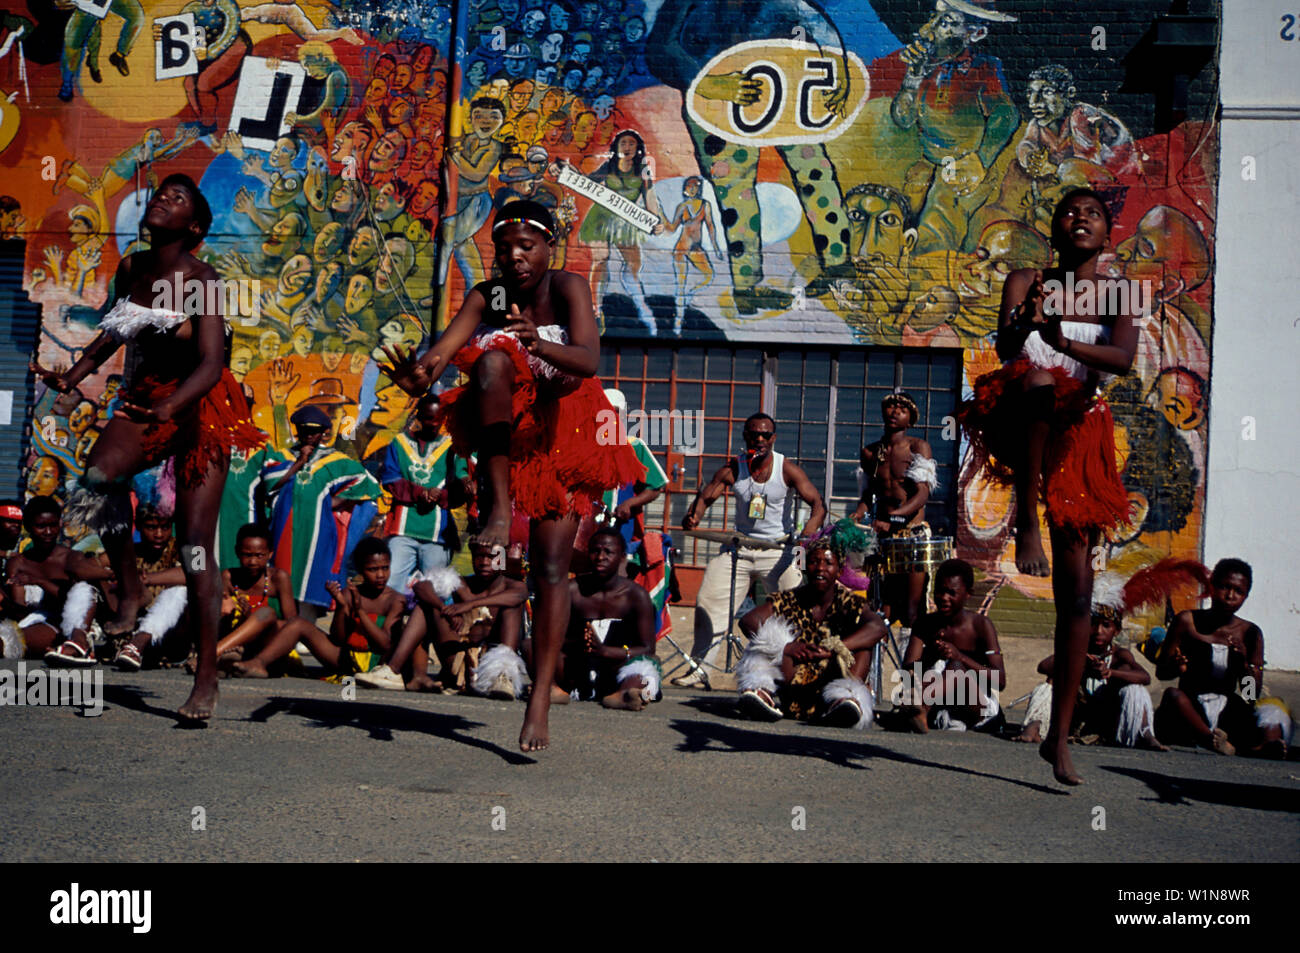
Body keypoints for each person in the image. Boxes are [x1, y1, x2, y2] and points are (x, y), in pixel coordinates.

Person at [380, 199, 642, 751]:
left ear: (550, 247)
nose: (515, 258)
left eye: (527, 246)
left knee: (549, 570)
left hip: (568, 428)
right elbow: (441, 355)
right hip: (512, 424)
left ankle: (541, 697)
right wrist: (417, 377)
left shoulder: (567, 287)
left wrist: (537, 340)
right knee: (491, 360)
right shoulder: (489, 295)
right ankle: (498, 507)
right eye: (505, 249)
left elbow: (589, 359)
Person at [31, 174, 263, 722]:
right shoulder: (134, 267)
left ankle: (205, 676)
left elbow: (211, 363)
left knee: (195, 547)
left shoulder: (202, 279)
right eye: (162, 192)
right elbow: (116, 327)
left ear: (196, 227)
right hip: (149, 399)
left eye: (178, 198)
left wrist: (171, 406)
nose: (163, 198)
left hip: (202, 407)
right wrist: (78, 373)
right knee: (96, 481)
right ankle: (129, 588)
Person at [956, 188, 1138, 784]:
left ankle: (1058, 738)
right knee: (1037, 376)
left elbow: (1122, 358)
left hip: (1079, 431)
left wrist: (1063, 338)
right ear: (1054, 229)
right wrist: (1029, 319)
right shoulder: (1026, 277)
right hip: (1021, 413)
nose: (1080, 217)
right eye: (1070, 210)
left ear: (1107, 234)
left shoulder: (1116, 291)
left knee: (1079, 593)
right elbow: (1007, 347)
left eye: (1093, 212)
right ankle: (1026, 521)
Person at [674, 412, 825, 689]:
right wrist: (693, 516)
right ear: (745, 437)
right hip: (740, 548)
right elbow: (707, 496)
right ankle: (699, 671)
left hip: (778, 551)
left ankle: (799, 674)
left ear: (773, 438)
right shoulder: (734, 468)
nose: (759, 439)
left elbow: (818, 504)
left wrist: (807, 536)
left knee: (795, 608)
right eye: (753, 434)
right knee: (708, 601)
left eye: (765, 435)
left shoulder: (787, 469)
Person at [734, 533, 885, 729]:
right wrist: (786, 647)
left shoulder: (850, 603)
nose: (820, 568)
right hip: (793, 681)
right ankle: (760, 692)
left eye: (828, 563)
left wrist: (834, 649)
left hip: (831, 680)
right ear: (805, 567)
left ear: (839, 571)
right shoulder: (789, 598)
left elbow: (878, 628)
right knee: (762, 637)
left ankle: (845, 700)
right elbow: (748, 621)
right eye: (814, 562)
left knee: (865, 643)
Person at [1014, 572, 1165, 750]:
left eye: (1106, 625)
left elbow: (1145, 677)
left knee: (1134, 688)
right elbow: (1043, 667)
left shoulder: (1119, 655)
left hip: (1105, 719)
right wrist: (1080, 664)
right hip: (1075, 717)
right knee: (1051, 682)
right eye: (1093, 624)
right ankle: (1033, 728)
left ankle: (1144, 734)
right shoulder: (1076, 651)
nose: (1098, 631)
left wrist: (1111, 673)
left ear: (1116, 630)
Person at [1155, 559, 1290, 759]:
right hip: (1191, 708)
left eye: (1238, 591)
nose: (1229, 596)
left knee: (1271, 709)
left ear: (1245, 596)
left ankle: (1264, 747)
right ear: (1211, 586)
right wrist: (1176, 667)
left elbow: (1250, 694)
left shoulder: (1250, 633)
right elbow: (1162, 673)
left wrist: (1244, 664)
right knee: (1173, 695)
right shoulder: (1187, 622)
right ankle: (1213, 741)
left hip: (1228, 710)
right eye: (1224, 587)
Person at [361, 538, 529, 694]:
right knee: (426, 605)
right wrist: (443, 608)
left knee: (511, 606)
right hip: (461, 666)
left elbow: (518, 596)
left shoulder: (514, 586)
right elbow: (421, 586)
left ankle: (503, 677)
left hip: (490, 671)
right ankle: (393, 670)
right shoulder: (463, 583)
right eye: (479, 556)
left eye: (491, 557)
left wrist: (469, 604)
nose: (485, 562)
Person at [267, 405, 381, 620]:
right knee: (283, 572)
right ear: (297, 430)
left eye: (315, 431)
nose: (310, 435)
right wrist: (299, 461)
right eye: (305, 430)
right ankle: (282, 627)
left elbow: (365, 482)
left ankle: (305, 627)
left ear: (323, 433)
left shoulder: (335, 460)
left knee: (313, 574)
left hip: (319, 531)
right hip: (285, 528)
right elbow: (271, 484)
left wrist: (330, 503)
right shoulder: (282, 456)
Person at [232, 537, 404, 679]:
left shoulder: (395, 600)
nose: (381, 575)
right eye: (373, 569)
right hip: (345, 658)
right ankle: (259, 662)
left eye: (385, 568)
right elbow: (338, 638)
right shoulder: (350, 593)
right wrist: (342, 607)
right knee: (298, 624)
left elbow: (385, 644)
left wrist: (360, 612)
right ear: (360, 570)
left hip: (377, 665)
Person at [852, 389, 937, 629]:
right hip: (883, 536)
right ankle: (874, 664)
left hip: (912, 534)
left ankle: (911, 665)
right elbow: (869, 493)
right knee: (880, 608)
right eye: (891, 407)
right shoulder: (870, 452)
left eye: (902, 409)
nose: (895, 412)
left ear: (911, 419)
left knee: (912, 610)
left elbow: (922, 493)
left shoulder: (918, 447)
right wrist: (858, 513)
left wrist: (894, 517)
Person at [891, 559, 1005, 733]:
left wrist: (960, 657)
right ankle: (918, 710)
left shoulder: (981, 625)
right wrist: (931, 655)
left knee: (957, 668)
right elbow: (908, 671)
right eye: (940, 591)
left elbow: (1000, 681)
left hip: (976, 703)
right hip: (941, 700)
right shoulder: (925, 624)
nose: (944, 598)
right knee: (930, 672)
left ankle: (920, 710)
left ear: (968, 594)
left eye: (952, 593)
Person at [559, 527, 659, 709]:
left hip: (616, 666)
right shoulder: (572, 589)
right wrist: (579, 644)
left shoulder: (636, 595)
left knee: (648, 667)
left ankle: (625, 694)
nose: (600, 557)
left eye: (608, 552)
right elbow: (553, 636)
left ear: (622, 557)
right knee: (529, 646)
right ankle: (554, 689)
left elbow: (648, 648)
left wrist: (606, 651)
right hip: (576, 666)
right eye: (595, 551)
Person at [3, 496, 112, 661]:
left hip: (70, 621)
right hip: (35, 621)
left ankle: (78, 642)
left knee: (85, 590)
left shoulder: (72, 557)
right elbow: (21, 612)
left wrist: (39, 581)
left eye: (53, 525)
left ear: (60, 524)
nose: (48, 532)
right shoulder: (17, 563)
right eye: (41, 526)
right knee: (6, 642)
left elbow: (78, 600)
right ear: (28, 527)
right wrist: (5, 601)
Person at [379, 393, 465, 593]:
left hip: (437, 535)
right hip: (402, 532)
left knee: (437, 591)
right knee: (391, 586)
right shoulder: (399, 443)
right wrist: (421, 493)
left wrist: (442, 496)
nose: (433, 424)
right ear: (418, 416)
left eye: (437, 419)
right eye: (427, 418)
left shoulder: (452, 447)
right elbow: (390, 479)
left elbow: (458, 493)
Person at [103, 504, 189, 671]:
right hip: (132, 626)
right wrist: (109, 576)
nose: (159, 534)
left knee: (179, 590)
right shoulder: (130, 552)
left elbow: (197, 573)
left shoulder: (188, 546)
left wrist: (147, 579)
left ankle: (140, 642)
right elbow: (84, 564)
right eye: (151, 527)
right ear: (139, 526)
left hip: (173, 636)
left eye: (165, 528)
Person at [215, 523, 296, 665]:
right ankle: (231, 656)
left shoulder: (278, 578)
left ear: (270, 554)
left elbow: (291, 624)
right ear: (237, 552)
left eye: (259, 555)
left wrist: (252, 618)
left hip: (268, 642)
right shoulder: (228, 577)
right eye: (247, 555)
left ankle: (219, 655)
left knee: (266, 614)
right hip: (235, 639)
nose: (253, 561)